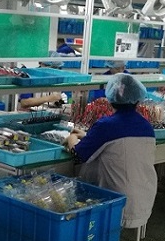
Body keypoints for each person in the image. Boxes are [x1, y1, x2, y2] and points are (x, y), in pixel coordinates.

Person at [65, 73, 157, 229]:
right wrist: (88, 136)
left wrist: (71, 137)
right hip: (145, 197)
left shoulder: (106, 126)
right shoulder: (146, 125)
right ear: (137, 99)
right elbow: (119, 145)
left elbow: (78, 155)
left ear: (110, 98)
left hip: (118, 201)